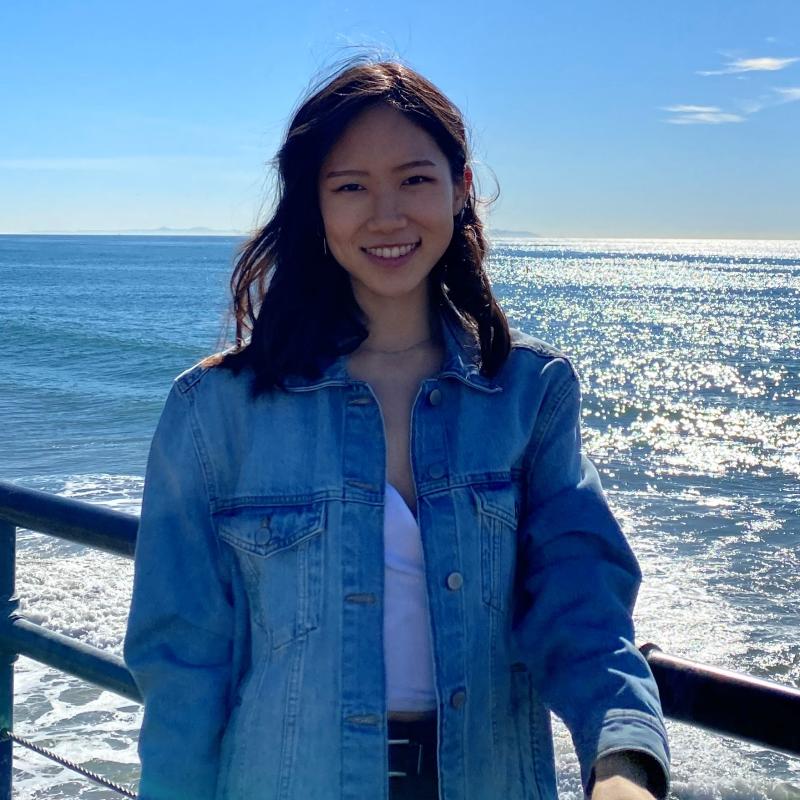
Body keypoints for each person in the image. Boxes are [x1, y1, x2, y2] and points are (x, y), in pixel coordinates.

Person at [123, 57, 670, 800]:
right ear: (314, 207)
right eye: (351, 187)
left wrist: (624, 765)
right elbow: (184, 663)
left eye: (415, 179)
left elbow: (582, 607)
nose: (386, 216)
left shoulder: (528, 395)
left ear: (461, 189)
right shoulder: (214, 411)